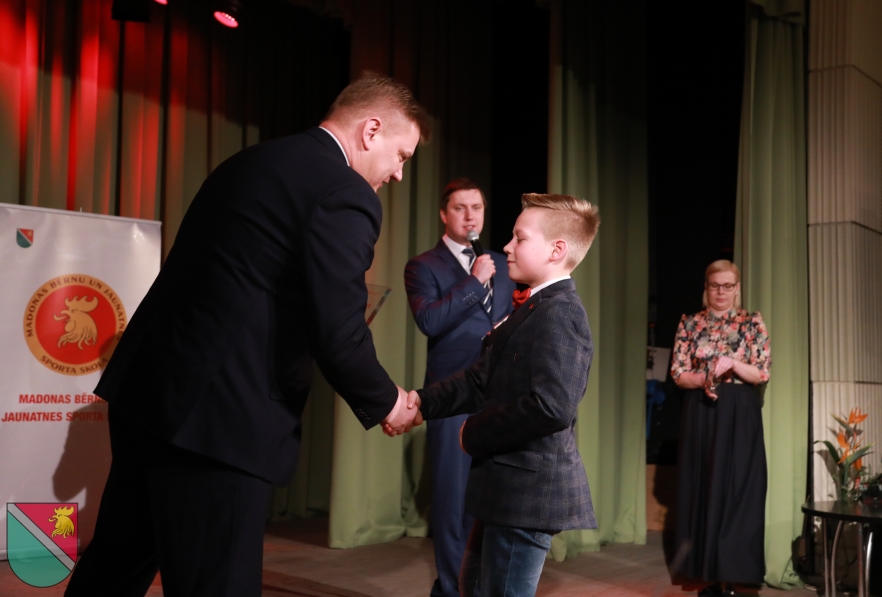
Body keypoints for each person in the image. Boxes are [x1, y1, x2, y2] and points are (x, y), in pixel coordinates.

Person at [64, 75, 428, 597]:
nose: (398, 173)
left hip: (148, 394)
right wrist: (388, 402)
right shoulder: (345, 192)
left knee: (113, 568)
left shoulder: (250, 161)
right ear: (371, 130)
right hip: (220, 424)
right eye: (401, 156)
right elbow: (338, 328)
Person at [389, 193, 600, 597]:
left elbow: (551, 407)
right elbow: (479, 380)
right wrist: (420, 403)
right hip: (502, 491)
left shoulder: (561, 311)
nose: (507, 246)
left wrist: (473, 432)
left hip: (526, 497)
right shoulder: (533, 308)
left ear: (556, 250)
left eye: (520, 238)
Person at [404, 178, 516, 597]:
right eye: (460, 208)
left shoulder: (502, 263)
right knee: (452, 504)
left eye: (477, 207)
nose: (470, 216)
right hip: (451, 396)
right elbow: (429, 321)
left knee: (487, 501)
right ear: (444, 214)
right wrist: (473, 282)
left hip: (495, 396)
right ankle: (453, 591)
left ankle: (476, 586)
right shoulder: (424, 266)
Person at [670, 259, 770, 597]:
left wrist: (734, 364)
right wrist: (705, 378)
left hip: (741, 411)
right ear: (707, 287)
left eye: (728, 286)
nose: (721, 292)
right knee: (705, 487)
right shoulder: (690, 323)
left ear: (737, 288)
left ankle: (734, 575)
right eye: (715, 286)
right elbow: (678, 373)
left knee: (740, 489)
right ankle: (708, 575)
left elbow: (762, 372)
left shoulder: (752, 322)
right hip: (702, 410)